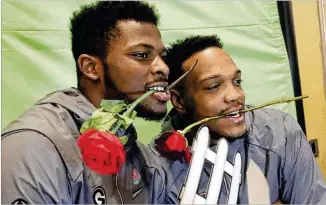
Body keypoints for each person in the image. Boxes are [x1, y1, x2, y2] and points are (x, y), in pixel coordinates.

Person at [1, 1, 174, 204]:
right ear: (90, 67)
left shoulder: (143, 159)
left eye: (163, 57)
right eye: (142, 55)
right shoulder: (35, 146)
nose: (163, 68)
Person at [151, 34, 326, 204]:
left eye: (237, 81)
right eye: (213, 86)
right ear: (179, 101)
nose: (236, 96)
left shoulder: (280, 132)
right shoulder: (156, 168)